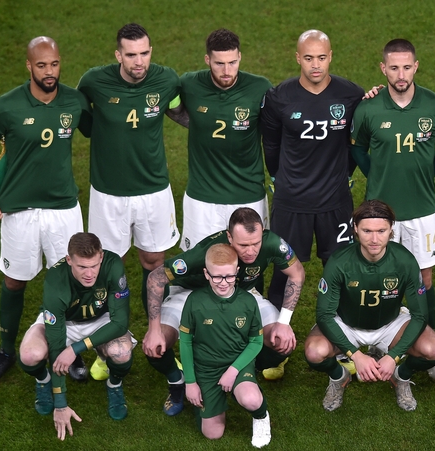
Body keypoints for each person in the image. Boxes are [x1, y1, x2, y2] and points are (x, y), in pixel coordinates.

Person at [0, 36, 91, 382]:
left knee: (71, 280)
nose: (49, 71)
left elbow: (97, 131)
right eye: (41, 65)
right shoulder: (8, 105)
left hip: (63, 208)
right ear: (29, 66)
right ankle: (6, 350)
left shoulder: (74, 101)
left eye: (54, 64)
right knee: (14, 281)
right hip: (19, 210)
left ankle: (71, 348)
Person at [350, 39, 435, 382]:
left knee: (424, 279)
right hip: (379, 213)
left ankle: (430, 353)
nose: (400, 74)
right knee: (376, 275)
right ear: (383, 68)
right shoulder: (368, 109)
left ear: (416, 66)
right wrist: (378, 177)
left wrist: (425, 173)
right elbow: (358, 151)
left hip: (422, 210)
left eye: (407, 67)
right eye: (394, 67)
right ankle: (377, 344)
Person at [143, 208, 304, 415]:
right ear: (229, 237)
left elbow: (297, 273)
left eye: (256, 243)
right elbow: (156, 278)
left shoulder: (272, 242)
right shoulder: (205, 253)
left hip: (241, 294)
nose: (251, 251)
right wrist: (154, 329)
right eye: (243, 245)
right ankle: (177, 382)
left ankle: (245, 374)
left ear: (262, 233)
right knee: (157, 346)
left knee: (282, 342)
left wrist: (284, 322)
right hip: (192, 294)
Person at [77, 23, 181, 318]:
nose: (139, 61)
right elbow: (83, 120)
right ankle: (113, 325)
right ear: (118, 55)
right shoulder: (93, 81)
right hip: (109, 192)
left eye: (144, 53)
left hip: (154, 189)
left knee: (154, 260)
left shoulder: (167, 80)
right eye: (131, 55)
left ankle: (156, 324)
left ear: (151, 51)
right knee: (110, 263)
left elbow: (178, 110)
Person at [303, 200, 435, 412]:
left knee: (433, 350)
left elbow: (420, 315)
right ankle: (339, 376)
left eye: (381, 231)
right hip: (346, 324)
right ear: (355, 229)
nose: (374, 239)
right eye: (367, 231)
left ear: (391, 229)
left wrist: (394, 357)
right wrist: (355, 355)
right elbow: (324, 315)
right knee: (314, 352)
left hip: (390, 323)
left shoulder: (405, 261)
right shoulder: (339, 262)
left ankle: (401, 376)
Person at [260, 29, 364, 310]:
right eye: (308, 58)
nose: (315, 65)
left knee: (341, 269)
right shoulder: (279, 97)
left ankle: (342, 329)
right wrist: (279, 177)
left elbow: (358, 141)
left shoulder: (352, 95)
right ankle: (275, 330)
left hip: (335, 201)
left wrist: (344, 173)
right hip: (292, 203)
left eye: (321, 57)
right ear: (298, 58)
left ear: (330, 57)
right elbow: (271, 144)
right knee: (283, 271)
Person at [17, 233, 135, 440]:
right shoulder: (55, 280)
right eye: (81, 267)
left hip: (101, 320)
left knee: (122, 351)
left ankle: (114, 384)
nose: (89, 274)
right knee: (29, 355)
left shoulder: (113, 264)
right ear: (69, 260)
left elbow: (119, 323)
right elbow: (56, 343)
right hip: (66, 322)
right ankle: (43, 379)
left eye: (94, 266)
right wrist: (60, 403)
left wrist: (75, 349)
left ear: (101, 256)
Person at [166, 29, 273, 251]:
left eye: (232, 62)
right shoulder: (189, 84)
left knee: (250, 257)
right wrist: (198, 125)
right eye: (219, 64)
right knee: (199, 260)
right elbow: (169, 104)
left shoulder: (260, 88)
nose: (226, 71)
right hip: (201, 198)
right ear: (207, 60)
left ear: (240, 57)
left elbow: (276, 129)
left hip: (248, 194)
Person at [179, 243, 271, 448]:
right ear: (206, 274)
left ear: (237, 271)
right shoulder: (194, 301)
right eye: (217, 277)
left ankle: (261, 416)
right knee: (213, 434)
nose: (223, 283)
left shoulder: (248, 302)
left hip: (237, 364)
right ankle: (205, 400)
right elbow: (185, 342)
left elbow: (256, 341)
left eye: (229, 276)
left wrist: (233, 370)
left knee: (251, 399)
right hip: (206, 368)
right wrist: (191, 383)